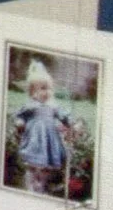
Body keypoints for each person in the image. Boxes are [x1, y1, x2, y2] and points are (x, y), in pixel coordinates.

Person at [13, 63, 73, 195]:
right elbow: (20, 116)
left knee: (46, 166)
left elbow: (64, 116)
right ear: (33, 92)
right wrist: (20, 122)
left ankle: (42, 184)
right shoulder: (31, 106)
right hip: (34, 140)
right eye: (43, 89)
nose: (48, 92)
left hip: (49, 142)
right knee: (32, 165)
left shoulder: (53, 106)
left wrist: (70, 123)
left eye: (50, 89)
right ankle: (31, 184)